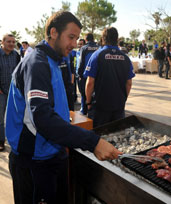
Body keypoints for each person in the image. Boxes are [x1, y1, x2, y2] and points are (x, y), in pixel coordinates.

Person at [5, 11, 122, 204]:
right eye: (71, 37)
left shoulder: (54, 61)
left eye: (76, 38)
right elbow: (42, 118)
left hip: (52, 154)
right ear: (53, 32)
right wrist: (93, 142)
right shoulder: (37, 63)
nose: (75, 43)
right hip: (34, 161)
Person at [84, 27, 135, 128]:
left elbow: (90, 83)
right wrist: (123, 99)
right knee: (118, 135)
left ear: (103, 39)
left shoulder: (97, 55)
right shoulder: (125, 57)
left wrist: (88, 102)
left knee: (99, 136)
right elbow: (129, 83)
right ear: (117, 39)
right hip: (118, 105)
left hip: (100, 106)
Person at [0, 34, 20, 152]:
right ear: (2, 42)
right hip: (1, 91)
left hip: (14, 90)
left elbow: (19, 72)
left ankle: (14, 139)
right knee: (0, 118)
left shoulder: (16, 55)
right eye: (9, 42)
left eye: (13, 42)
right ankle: (1, 141)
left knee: (14, 116)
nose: (12, 44)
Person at [77, 33, 99, 115]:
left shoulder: (84, 48)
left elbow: (81, 62)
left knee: (84, 93)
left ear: (86, 40)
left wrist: (79, 74)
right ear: (93, 39)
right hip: (96, 76)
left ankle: (84, 110)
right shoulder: (99, 48)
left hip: (85, 75)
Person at [74, 38, 85, 103]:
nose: (79, 45)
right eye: (78, 44)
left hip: (83, 75)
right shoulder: (76, 52)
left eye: (81, 44)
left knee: (83, 91)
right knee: (80, 90)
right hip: (77, 74)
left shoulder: (85, 52)